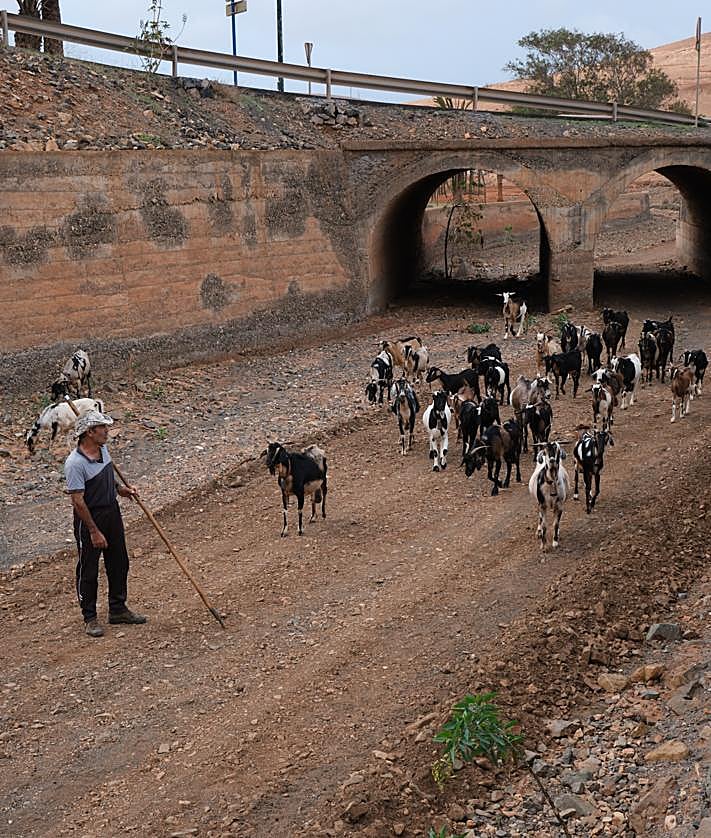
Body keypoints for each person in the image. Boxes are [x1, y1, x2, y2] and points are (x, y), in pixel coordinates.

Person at [64, 410, 146, 637]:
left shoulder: (103, 450)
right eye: (103, 428)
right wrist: (94, 531)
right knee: (89, 570)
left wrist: (122, 490)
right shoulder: (74, 464)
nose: (107, 431)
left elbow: (108, 477)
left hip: (112, 512)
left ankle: (118, 609)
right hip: (90, 518)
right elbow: (78, 502)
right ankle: (89, 618)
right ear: (90, 433)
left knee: (119, 562)